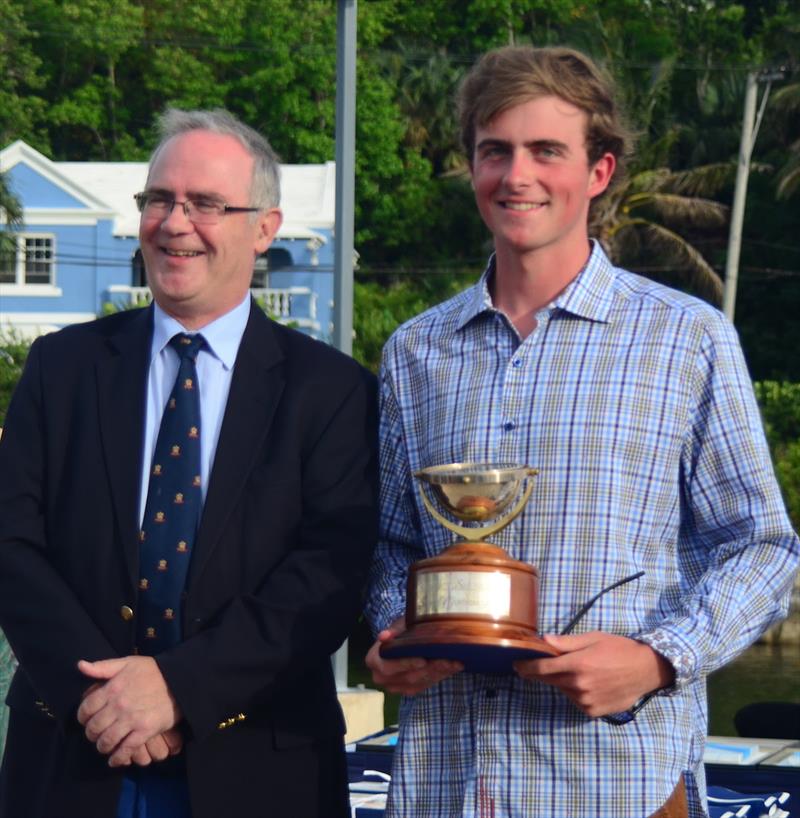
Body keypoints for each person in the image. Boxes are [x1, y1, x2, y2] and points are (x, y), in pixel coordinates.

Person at [364, 46, 799, 818]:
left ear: (598, 172)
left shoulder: (685, 339)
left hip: (619, 782)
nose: (516, 175)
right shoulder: (415, 351)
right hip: (444, 783)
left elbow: (763, 548)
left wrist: (658, 659)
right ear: (471, 167)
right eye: (494, 151)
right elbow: (391, 543)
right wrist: (391, 634)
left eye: (546, 151)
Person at [0, 108, 377, 818]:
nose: (175, 223)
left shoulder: (331, 391)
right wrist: (103, 702)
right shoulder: (61, 369)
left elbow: (328, 575)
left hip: (259, 766)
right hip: (74, 761)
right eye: (159, 200)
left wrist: (178, 688)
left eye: (206, 204)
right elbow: (12, 547)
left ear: (265, 228)